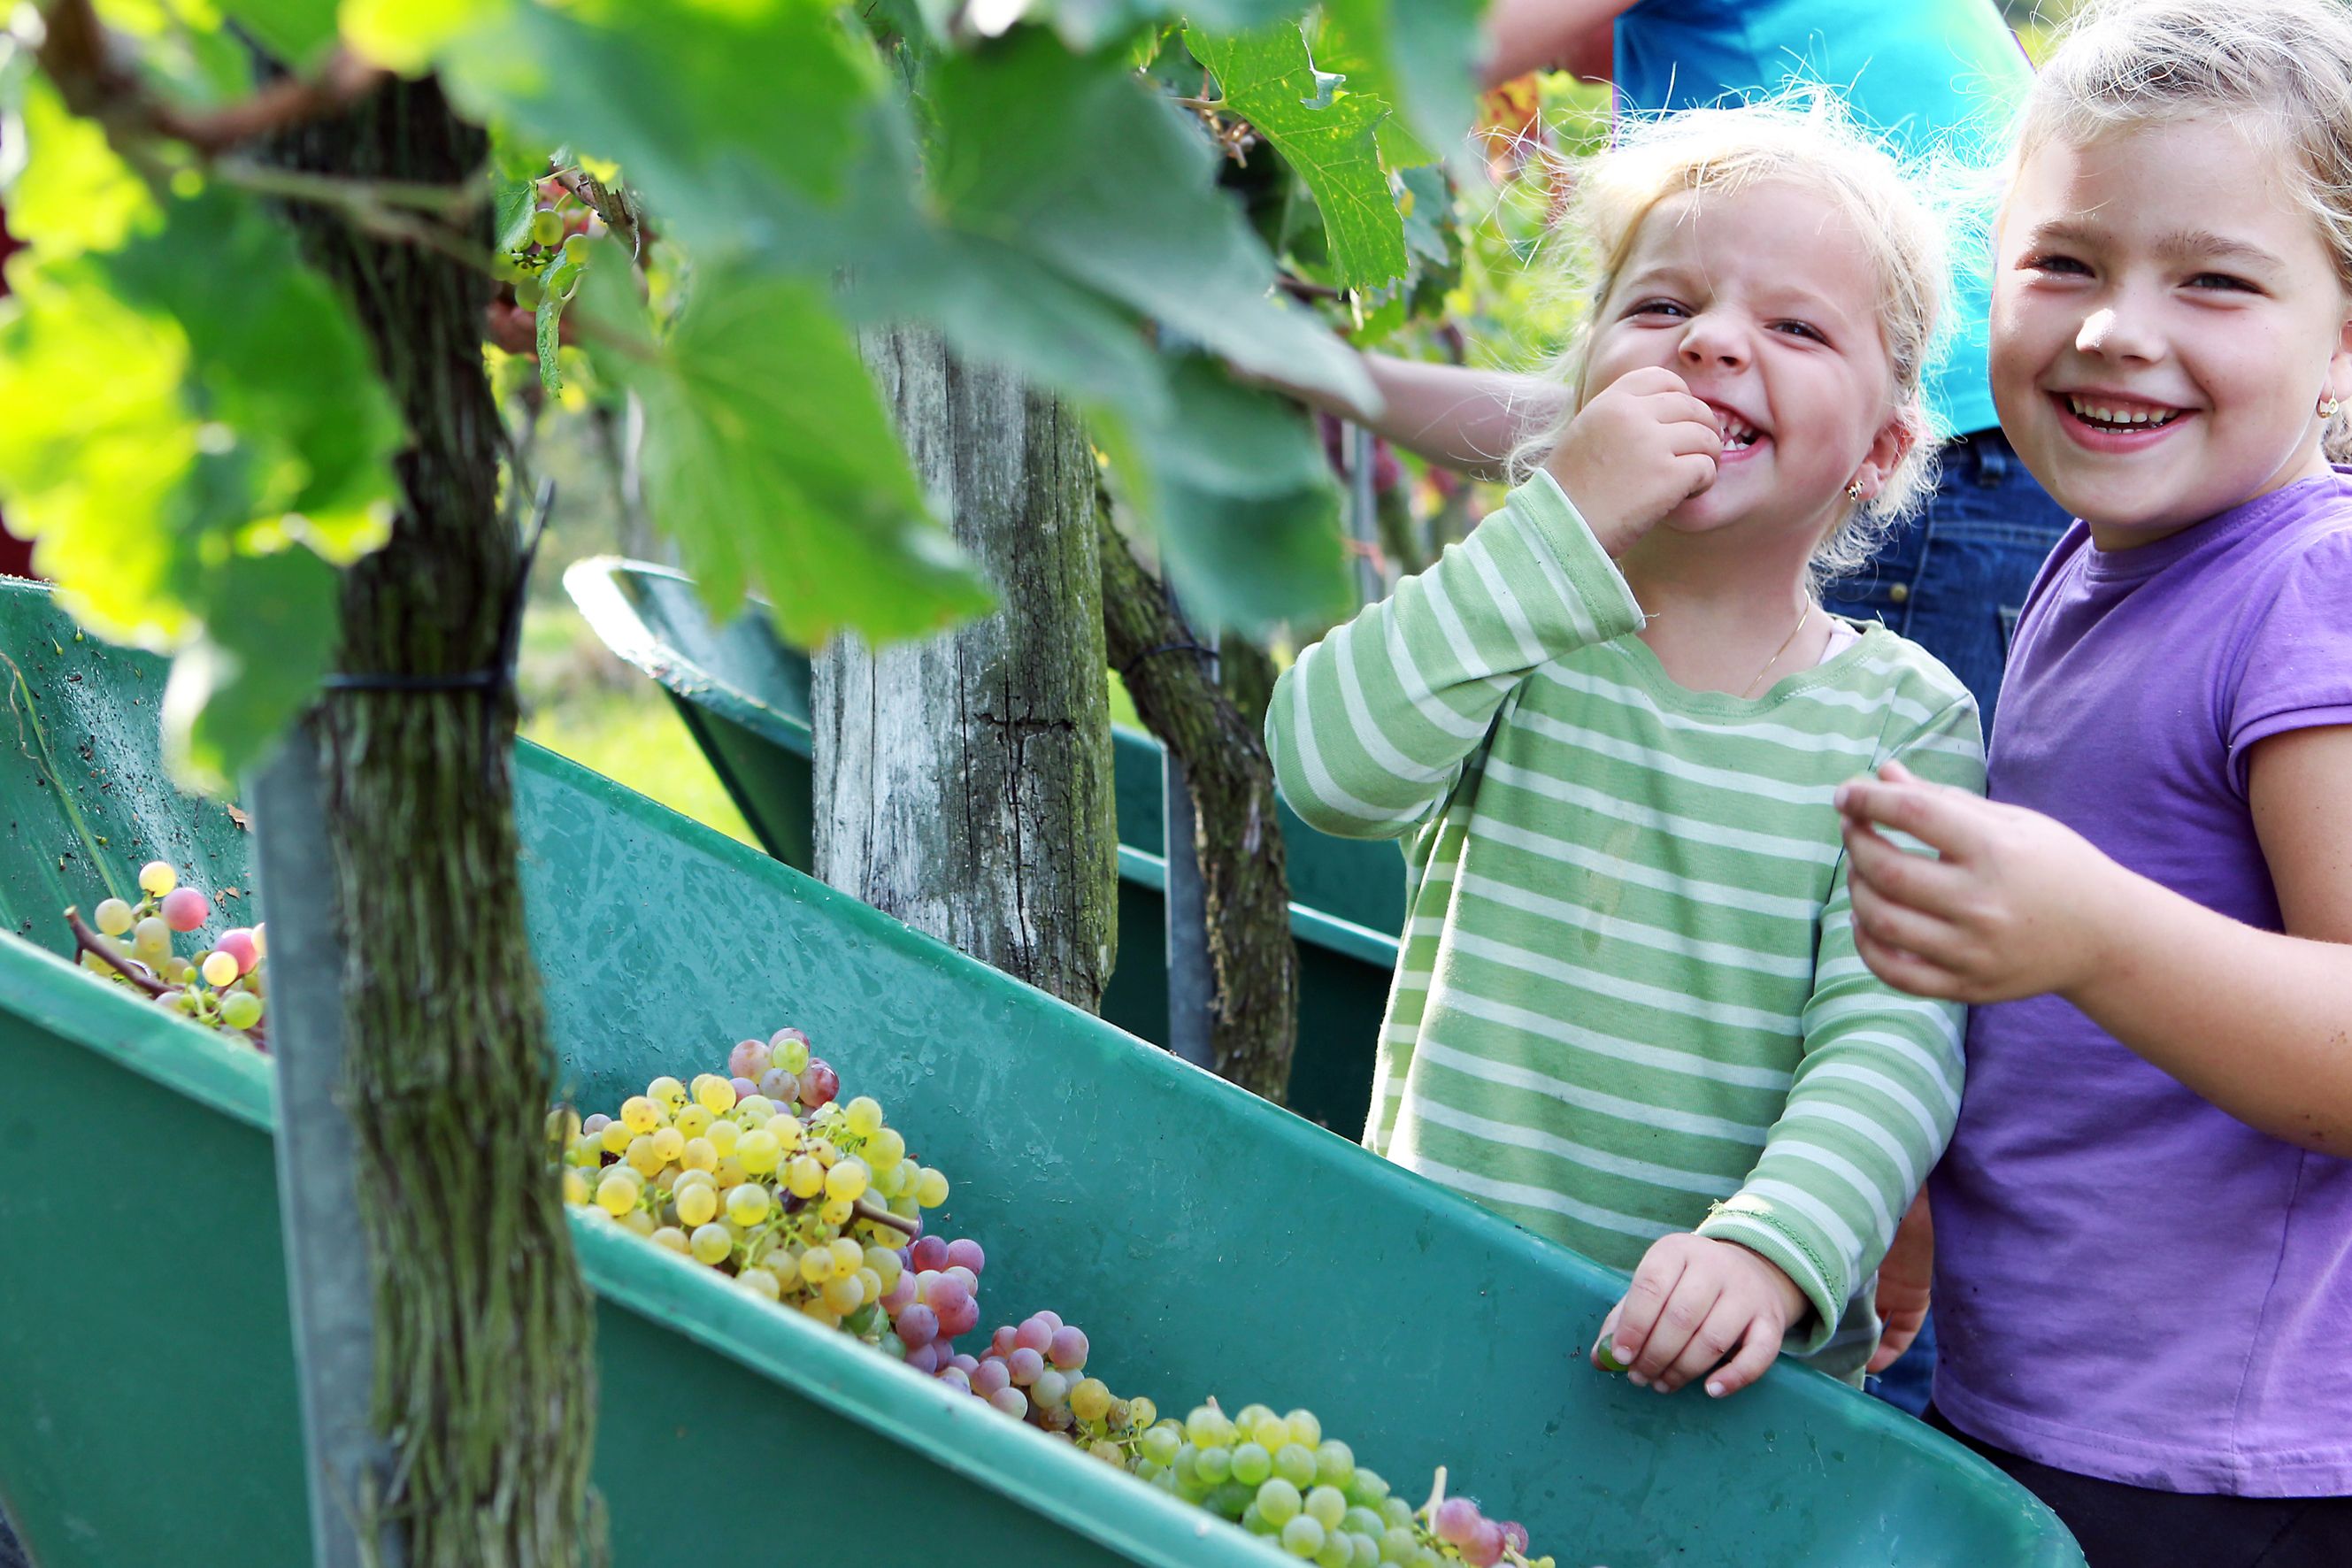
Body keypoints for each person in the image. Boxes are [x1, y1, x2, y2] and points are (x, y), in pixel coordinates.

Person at [1267, 97, 1982, 1401]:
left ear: (1879, 453)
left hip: (1720, 1381)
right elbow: (1328, 770)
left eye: (1792, 326)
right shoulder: (1513, 622)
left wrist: (1773, 1252)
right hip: (1436, 1308)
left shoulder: (1903, 719)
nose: (1712, 341)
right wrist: (1558, 523)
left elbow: (1890, 1046)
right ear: (1582, 381)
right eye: (1659, 309)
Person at [1832, 3, 2352, 1562]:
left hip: (2218, 1470)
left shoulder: (2306, 593)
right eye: (2064, 262)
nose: (2118, 329)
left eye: (2212, 280)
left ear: (2342, 336)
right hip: (2054, 1403)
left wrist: (2095, 937)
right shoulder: (2110, 556)